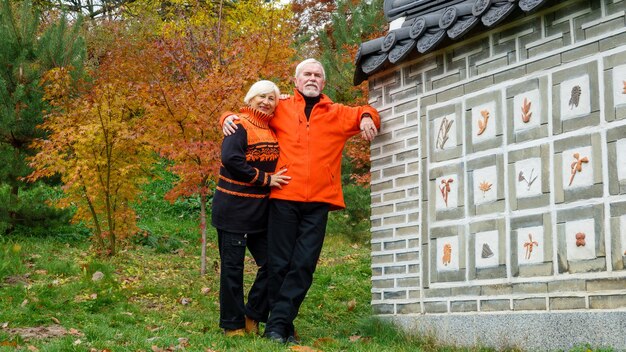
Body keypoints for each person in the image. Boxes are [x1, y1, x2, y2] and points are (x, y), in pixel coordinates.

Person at [222, 58, 380, 344]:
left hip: (319, 202)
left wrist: (368, 116)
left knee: (304, 265)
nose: (312, 78)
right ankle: (278, 326)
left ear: (323, 82)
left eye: (317, 75)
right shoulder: (280, 107)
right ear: (295, 81)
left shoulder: (336, 113)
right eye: (306, 74)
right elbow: (249, 114)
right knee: (280, 264)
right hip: (283, 198)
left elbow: (364, 111)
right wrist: (226, 118)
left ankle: (278, 324)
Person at [212, 80, 291, 337]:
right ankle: (232, 325)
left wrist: (287, 97)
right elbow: (231, 159)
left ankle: (253, 315)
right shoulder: (238, 125)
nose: (266, 102)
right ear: (250, 99)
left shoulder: (272, 129)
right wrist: (266, 179)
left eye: (271, 98)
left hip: (259, 213)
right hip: (233, 209)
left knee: (273, 264)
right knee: (232, 269)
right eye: (262, 97)